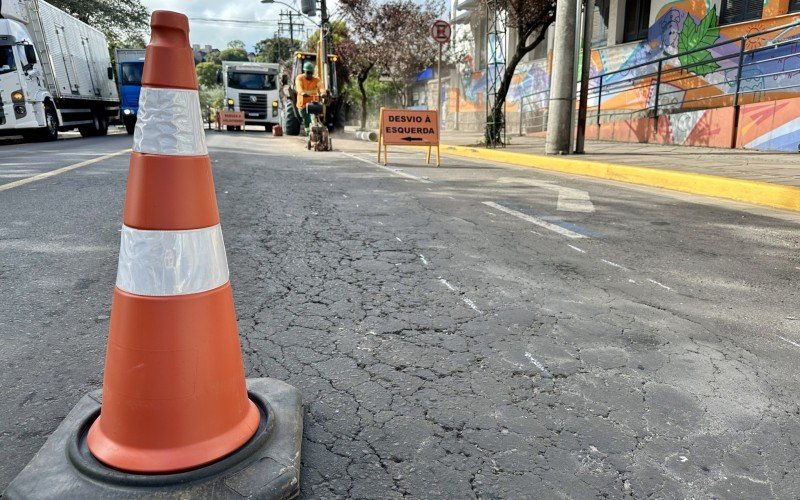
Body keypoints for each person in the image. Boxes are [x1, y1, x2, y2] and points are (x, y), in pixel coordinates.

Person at [295, 61, 325, 135]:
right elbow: (298, 87)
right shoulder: (299, 78)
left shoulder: (316, 79)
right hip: (302, 104)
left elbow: (321, 87)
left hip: (313, 103)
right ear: (304, 71)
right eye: (308, 73)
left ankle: (317, 132)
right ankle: (309, 133)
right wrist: (302, 93)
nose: (310, 75)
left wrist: (323, 93)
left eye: (311, 73)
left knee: (315, 118)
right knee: (307, 119)